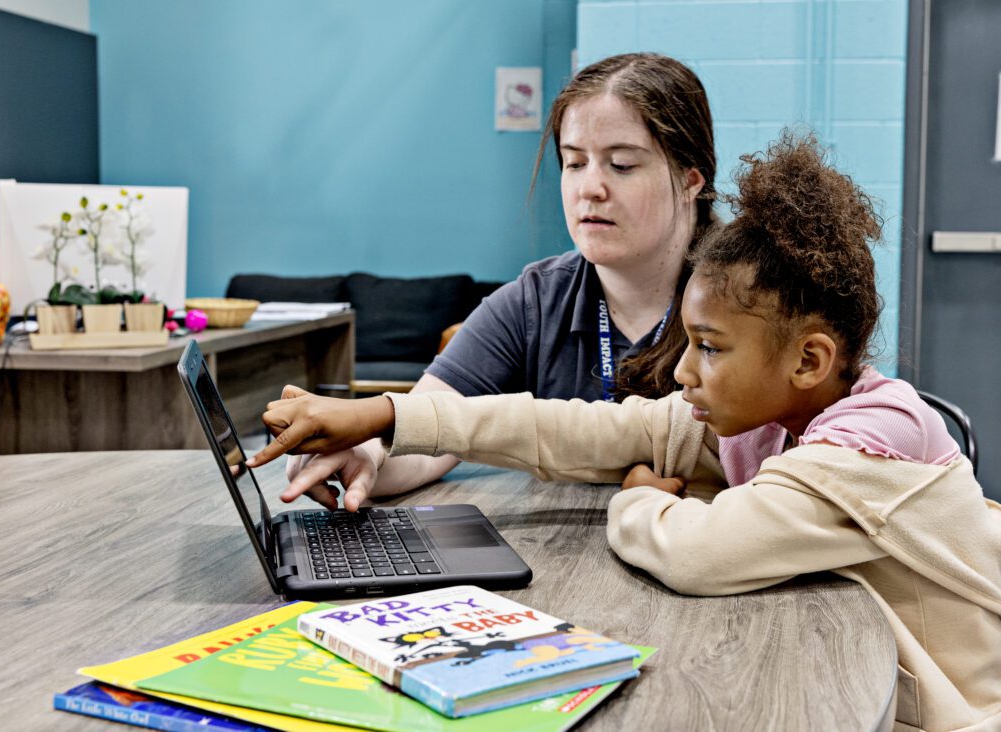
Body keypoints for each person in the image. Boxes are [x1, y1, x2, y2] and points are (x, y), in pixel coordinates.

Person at [249, 132, 1001, 730]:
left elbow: (703, 552)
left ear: (809, 360)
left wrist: (637, 499)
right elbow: (575, 429)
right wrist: (387, 415)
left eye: (709, 348)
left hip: (955, 714)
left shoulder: (865, 446)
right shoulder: (768, 416)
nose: (680, 373)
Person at [282, 52, 718, 511]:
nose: (589, 188)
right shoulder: (532, 301)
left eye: (622, 165)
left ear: (690, 179)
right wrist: (365, 454)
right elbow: (433, 425)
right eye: (574, 163)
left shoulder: (748, 296)